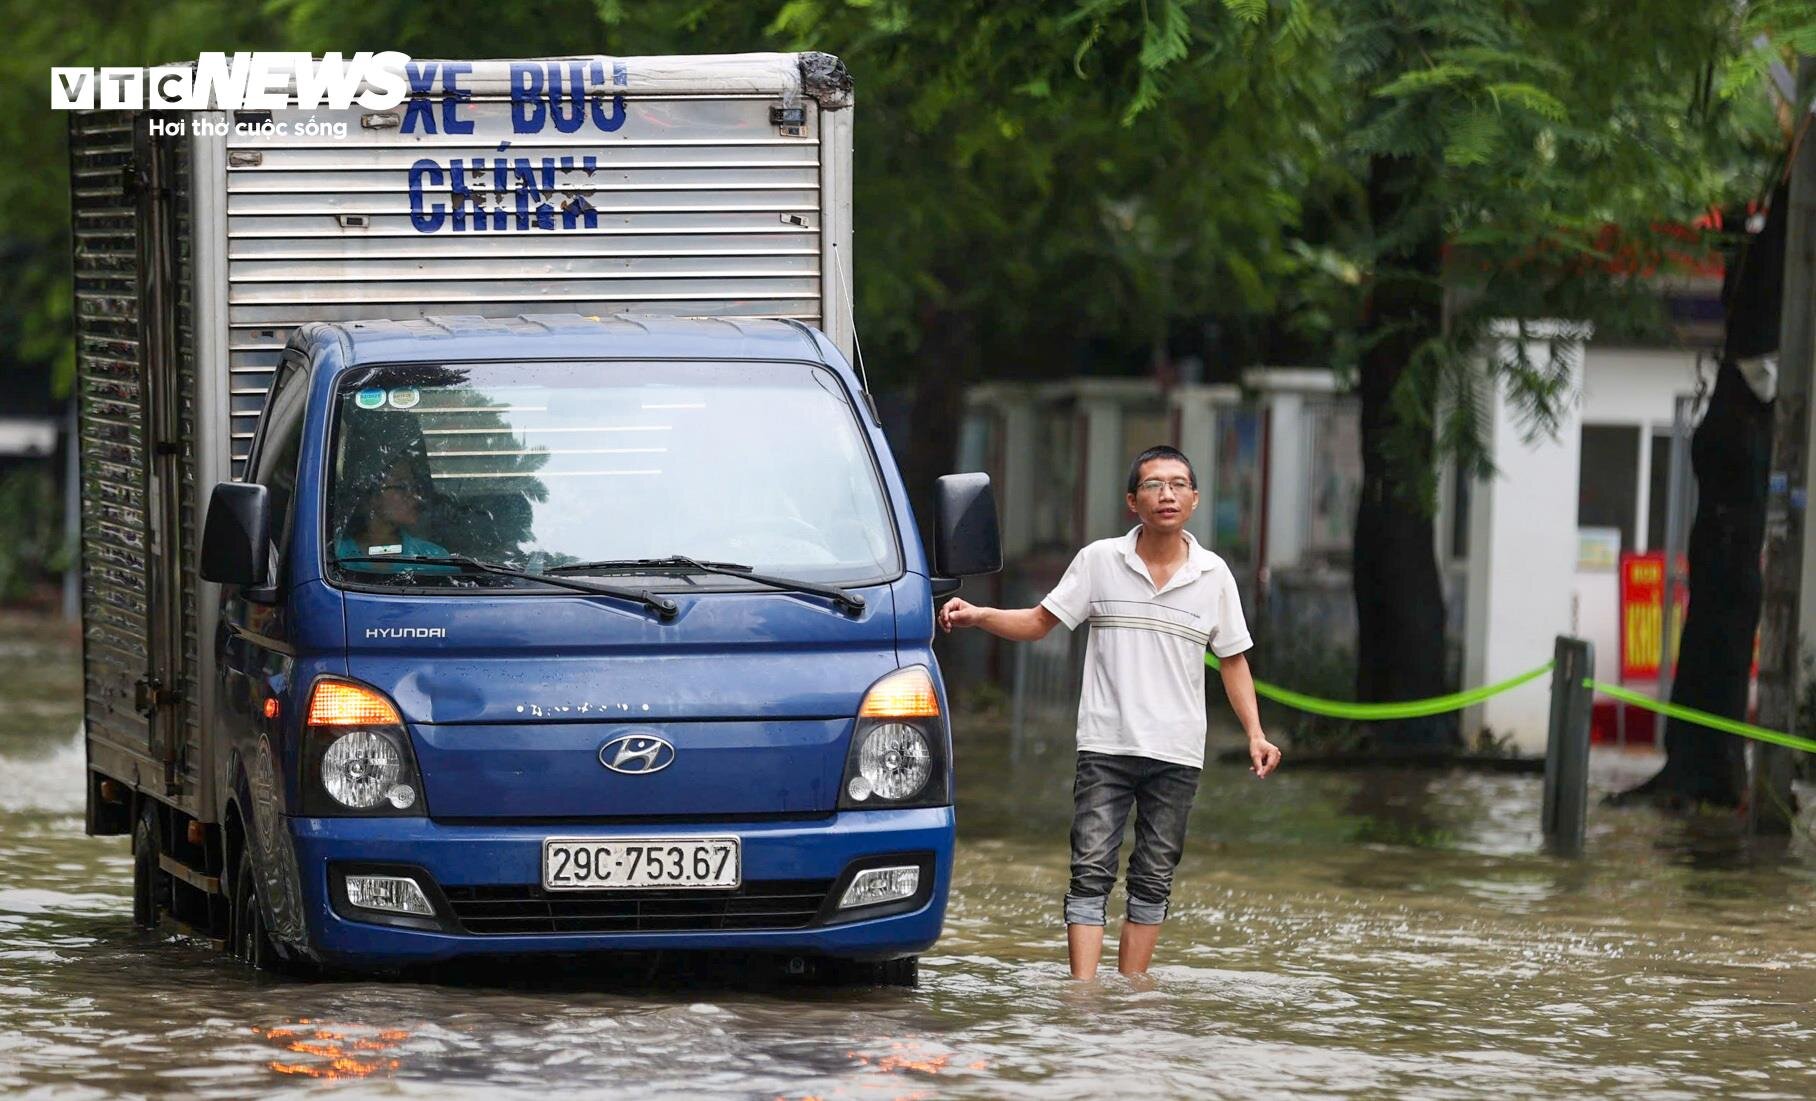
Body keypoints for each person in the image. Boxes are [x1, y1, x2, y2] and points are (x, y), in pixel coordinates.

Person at [939, 444, 1281, 979]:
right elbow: (1038, 622)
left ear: (1193, 499)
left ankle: (1133, 993)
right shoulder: (1101, 561)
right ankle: (1083, 995)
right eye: (1153, 484)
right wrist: (979, 614)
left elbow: (1234, 661)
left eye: (1177, 484)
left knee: (1154, 876)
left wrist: (1256, 734)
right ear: (1132, 500)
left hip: (1177, 751)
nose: (1165, 494)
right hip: (1106, 745)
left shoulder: (1214, 576)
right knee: (1090, 869)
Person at [333, 457, 450, 568]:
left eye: (414, 487)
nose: (415, 495)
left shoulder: (436, 559)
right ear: (372, 497)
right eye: (401, 486)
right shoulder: (334, 556)